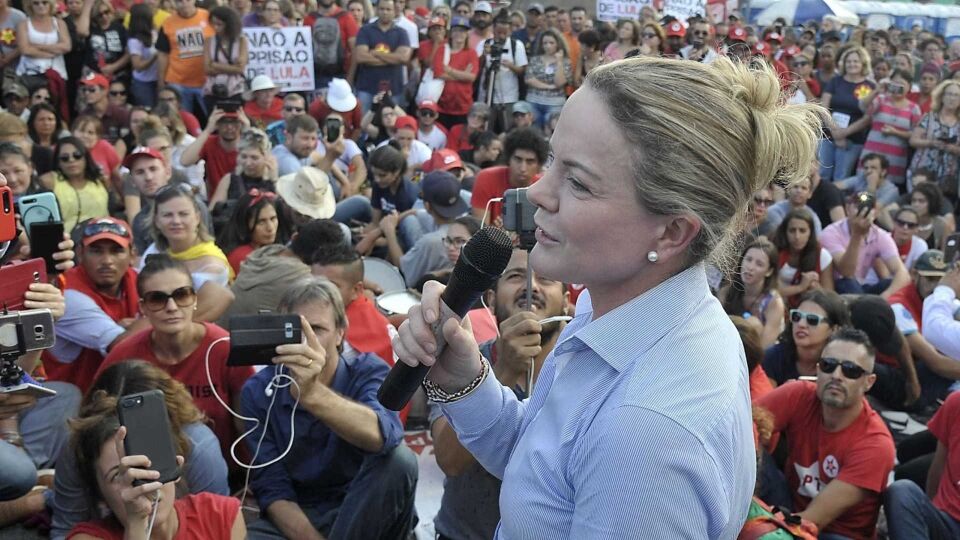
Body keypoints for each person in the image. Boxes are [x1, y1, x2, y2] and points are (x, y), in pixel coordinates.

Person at [394, 55, 822, 537]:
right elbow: (545, 467)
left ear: (671, 233)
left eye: (578, 182)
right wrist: (464, 378)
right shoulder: (623, 310)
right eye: (553, 160)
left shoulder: (647, 433)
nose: (536, 193)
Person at [242, 277, 418, 539]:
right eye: (295, 330)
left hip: (363, 504)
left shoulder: (368, 371)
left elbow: (384, 436)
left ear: (340, 333)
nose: (306, 341)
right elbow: (273, 488)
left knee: (400, 461)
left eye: (317, 329)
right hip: (301, 513)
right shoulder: (259, 390)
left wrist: (312, 393)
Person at [429, 247, 568, 540]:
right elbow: (449, 460)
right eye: (516, 276)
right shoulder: (458, 361)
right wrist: (502, 370)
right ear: (490, 300)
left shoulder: (583, 373)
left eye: (547, 279)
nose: (531, 287)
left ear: (568, 304)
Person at [49, 360, 230, 538]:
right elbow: (65, 528)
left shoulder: (198, 444)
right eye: (117, 475)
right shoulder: (79, 443)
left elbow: (210, 520)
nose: (138, 479)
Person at [100, 254, 251, 461]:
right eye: (157, 299)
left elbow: (250, 425)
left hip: (226, 472)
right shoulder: (125, 355)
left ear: (194, 299)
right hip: (148, 471)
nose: (171, 307)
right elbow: (96, 420)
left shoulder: (224, 347)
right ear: (143, 308)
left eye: (181, 295)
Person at [757, 328, 895, 539]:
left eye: (851, 370)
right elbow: (739, 428)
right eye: (829, 366)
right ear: (818, 369)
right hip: (791, 505)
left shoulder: (876, 444)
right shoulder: (798, 394)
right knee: (748, 447)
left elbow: (811, 521)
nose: (836, 376)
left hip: (835, 533)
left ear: (869, 382)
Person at [65, 397, 245, 538]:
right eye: (119, 475)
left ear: (175, 462)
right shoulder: (87, 537)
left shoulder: (221, 515)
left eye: (146, 463)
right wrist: (137, 526)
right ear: (100, 496)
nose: (140, 483)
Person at [41, 218, 147, 394]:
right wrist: (158, 320)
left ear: (132, 255)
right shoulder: (66, 292)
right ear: (80, 253)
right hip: (72, 403)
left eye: (116, 251)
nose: (107, 260)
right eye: (96, 251)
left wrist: (142, 326)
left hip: (119, 390)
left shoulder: (138, 279)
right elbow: (123, 346)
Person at [885, 390, 960, 539]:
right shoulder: (956, 402)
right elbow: (937, 469)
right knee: (902, 490)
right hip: (947, 521)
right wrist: (929, 514)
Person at [310, 244, 395, 367]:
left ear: (356, 290)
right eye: (314, 282)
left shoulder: (345, 346)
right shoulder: (361, 304)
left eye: (330, 286)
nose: (317, 292)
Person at [820, 192, 910, 296]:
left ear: (875, 213)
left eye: (868, 208)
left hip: (861, 285)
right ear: (847, 208)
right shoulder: (831, 232)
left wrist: (885, 296)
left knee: (889, 284)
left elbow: (902, 273)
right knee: (848, 283)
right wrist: (857, 235)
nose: (863, 212)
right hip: (837, 286)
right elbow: (846, 272)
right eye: (858, 207)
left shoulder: (880, 235)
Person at [763, 289, 847, 386]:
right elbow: (764, 400)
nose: (801, 324)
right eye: (796, 316)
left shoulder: (843, 367)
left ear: (834, 329)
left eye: (812, 320)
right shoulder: (773, 357)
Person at [819, 46, 875, 182]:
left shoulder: (870, 87)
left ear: (863, 64)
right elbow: (824, 106)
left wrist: (844, 133)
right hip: (828, 136)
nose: (852, 64)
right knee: (822, 174)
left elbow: (868, 117)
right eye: (848, 61)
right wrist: (835, 132)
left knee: (841, 177)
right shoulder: (835, 81)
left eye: (856, 61)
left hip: (853, 139)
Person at [470, 127, 547, 225]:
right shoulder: (486, 178)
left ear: (539, 165)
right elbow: (479, 233)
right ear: (508, 159)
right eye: (518, 159)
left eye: (530, 162)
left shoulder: (543, 188)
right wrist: (497, 234)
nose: (523, 168)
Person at [860, 69, 922, 189]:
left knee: (888, 190)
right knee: (864, 186)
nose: (898, 87)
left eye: (902, 85)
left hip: (896, 157)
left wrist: (896, 132)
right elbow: (863, 106)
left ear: (909, 87)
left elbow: (916, 134)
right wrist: (877, 90)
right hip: (872, 153)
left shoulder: (914, 108)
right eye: (895, 83)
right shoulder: (881, 99)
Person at [720, 238, 785, 349]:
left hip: (753, 354)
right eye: (748, 259)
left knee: (753, 324)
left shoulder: (774, 302)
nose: (750, 267)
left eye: (759, 264)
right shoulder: (726, 291)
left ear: (769, 271)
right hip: (724, 347)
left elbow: (765, 347)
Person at [39, 136, 110, 232]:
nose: (71, 160)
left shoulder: (100, 180)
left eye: (77, 155)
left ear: (86, 157)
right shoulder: (48, 181)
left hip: (100, 237)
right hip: (66, 242)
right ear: (58, 162)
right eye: (65, 158)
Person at [156, 0, 214, 117]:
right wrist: (161, 81)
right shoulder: (167, 23)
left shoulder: (209, 17)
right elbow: (163, 55)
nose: (183, 4)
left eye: (187, 0)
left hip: (206, 80)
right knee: (181, 119)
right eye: (179, 1)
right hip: (178, 81)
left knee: (211, 117)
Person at [353, 0, 410, 113]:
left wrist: (376, 53)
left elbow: (403, 58)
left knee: (392, 125)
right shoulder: (365, 30)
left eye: (388, 9)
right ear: (376, 10)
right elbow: (360, 57)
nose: (385, 12)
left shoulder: (401, 33)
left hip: (394, 89)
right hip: (366, 88)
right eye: (382, 9)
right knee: (363, 123)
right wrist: (392, 59)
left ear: (394, 11)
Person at [772, 208, 834, 310]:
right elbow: (769, 290)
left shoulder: (822, 256)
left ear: (810, 233)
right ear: (785, 232)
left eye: (802, 231)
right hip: (775, 305)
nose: (797, 236)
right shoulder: (774, 251)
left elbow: (829, 297)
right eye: (792, 230)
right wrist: (801, 287)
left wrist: (816, 288)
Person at [476, 11, 527, 133]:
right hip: (487, 95)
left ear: (510, 31)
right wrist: (484, 55)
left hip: (508, 96)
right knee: (486, 128)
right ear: (493, 29)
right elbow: (476, 68)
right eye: (498, 32)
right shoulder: (485, 44)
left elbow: (522, 70)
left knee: (507, 129)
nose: (501, 36)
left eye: (505, 32)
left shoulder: (516, 45)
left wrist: (511, 66)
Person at [218, 189, 290, 275]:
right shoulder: (243, 257)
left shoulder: (269, 250)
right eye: (261, 222)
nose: (270, 228)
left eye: (273, 219)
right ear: (244, 223)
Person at [909, 79, 960, 199]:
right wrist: (931, 143)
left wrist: (954, 149)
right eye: (949, 94)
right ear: (941, 97)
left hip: (948, 177)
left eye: (956, 95)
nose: (952, 98)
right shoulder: (929, 117)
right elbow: (913, 140)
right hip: (923, 172)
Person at [180, 108, 248, 196]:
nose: (229, 127)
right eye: (224, 122)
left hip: (244, 200)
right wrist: (208, 130)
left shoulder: (246, 145)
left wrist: (248, 131)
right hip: (216, 203)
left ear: (241, 124)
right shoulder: (210, 142)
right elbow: (185, 161)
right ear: (217, 124)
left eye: (234, 122)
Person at [210, 127, 277, 207]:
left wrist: (274, 181)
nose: (248, 163)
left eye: (254, 158)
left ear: (266, 157)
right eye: (244, 157)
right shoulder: (229, 180)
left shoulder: (274, 182)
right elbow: (213, 211)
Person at [434, 16, 479, 130]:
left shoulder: (471, 53)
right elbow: (439, 74)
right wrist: (462, 75)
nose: (459, 34)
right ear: (451, 33)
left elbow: (471, 77)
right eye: (456, 30)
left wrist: (450, 70)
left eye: (463, 31)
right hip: (442, 105)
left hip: (463, 106)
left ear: (467, 34)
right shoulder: (442, 50)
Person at [202, 5, 248, 114]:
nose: (216, 27)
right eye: (213, 24)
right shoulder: (209, 41)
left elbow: (240, 69)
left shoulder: (241, 41)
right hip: (212, 90)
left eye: (220, 24)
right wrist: (232, 68)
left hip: (236, 90)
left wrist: (216, 65)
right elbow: (207, 69)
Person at [525, 28, 572, 129]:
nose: (548, 46)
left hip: (555, 104)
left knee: (551, 131)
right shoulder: (535, 59)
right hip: (534, 101)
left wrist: (559, 62)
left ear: (558, 44)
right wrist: (549, 86)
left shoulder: (565, 62)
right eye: (545, 43)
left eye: (551, 43)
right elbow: (529, 79)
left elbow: (559, 83)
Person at [15, 0, 70, 82]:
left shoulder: (60, 23)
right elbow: (25, 50)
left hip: (56, 72)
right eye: (36, 3)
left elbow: (66, 47)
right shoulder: (23, 24)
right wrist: (50, 54)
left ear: (50, 4)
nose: (40, 6)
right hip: (29, 73)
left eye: (44, 2)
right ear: (30, 6)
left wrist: (36, 46)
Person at [72, 115, 121, 192]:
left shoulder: (105, 147)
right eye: (81, 131)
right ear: (73, 132)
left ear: (98, 136)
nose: (85, 136)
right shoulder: (64, 148)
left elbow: (117, 178)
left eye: (90, 133)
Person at [78, 72, 129, 145]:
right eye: (84, 90)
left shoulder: (121, 114)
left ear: (105, 91)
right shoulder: (84, 115)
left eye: (92, 90)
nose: (87, 93)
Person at [86, 0, 128, 82]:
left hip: (118, 74)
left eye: (106, 12)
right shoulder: (91, 29)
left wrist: (114, 67)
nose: (104, 16)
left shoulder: (119, 28)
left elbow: (129, 53)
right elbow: (81, 31)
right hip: (95, 74)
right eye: (100, 15)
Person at [127, 3, 159, 108]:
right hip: (143, 84)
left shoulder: (154, 33)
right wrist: (154, 57)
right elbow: (138, 66)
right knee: (148, 110)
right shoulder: (134, 41)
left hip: (157, 79)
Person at [910, 182, 953, 251]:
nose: (916, 204)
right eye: (914, 200)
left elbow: (946, 255)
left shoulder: (942, 225)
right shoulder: (906, 221)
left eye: (921, 201)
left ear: (932, 203)